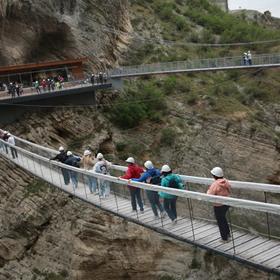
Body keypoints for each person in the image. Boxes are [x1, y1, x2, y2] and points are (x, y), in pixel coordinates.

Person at [207, 167, 231, 243]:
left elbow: (209, 194)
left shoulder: (215, 184)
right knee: (223, 218)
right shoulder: (226, 181)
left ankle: (224, 238)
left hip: (218, 205)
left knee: (220, 221)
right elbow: (229, 189)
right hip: (227, 203)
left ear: (214, 176)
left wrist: (208, 190)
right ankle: (228, 233)